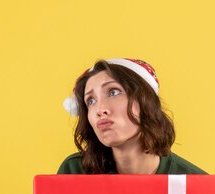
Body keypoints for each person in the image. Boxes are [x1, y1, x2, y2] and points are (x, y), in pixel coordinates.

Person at [57, 58, 206, 175]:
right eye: (91, 101)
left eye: (113, 92)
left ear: (146, 101)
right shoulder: (74, 171)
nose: (100, 109)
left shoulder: (195, 185)